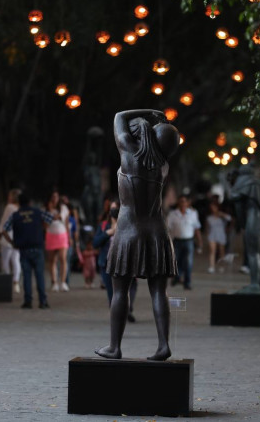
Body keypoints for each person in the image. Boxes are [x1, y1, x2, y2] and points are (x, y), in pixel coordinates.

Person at [95, 109, 180, 361]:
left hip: (128, 230)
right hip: (157, 232)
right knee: (158, 291)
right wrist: (149, 128)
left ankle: (114, 346)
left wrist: (148, 114)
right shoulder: (163, 165)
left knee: (120, 290)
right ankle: (163, 344)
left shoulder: (130, 156)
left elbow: (118, 117)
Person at [0, 194, 53, 309]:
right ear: (30, 202)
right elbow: (50, 218)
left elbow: (4, 230)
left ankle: (28, 301)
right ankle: (42, 301)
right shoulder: (37, 212)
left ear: (19, 203)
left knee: (27, 276)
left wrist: (12, 242)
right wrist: (42, 228)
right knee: (39, 275)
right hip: (37, 247)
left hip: (23, 249)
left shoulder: (16, 215)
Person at [230, 164, 260, 293]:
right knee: (257, 254)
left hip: (253, 219)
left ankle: (254, 284)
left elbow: (238, 207)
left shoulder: (242, 182)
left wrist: (242, 224)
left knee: (252, 253)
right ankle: (258, 284)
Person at [166, 194, 203, 290]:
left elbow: (197, 228)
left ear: (188, 202)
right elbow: (167, 228)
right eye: (181, 201)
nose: (183, 203)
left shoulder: (193, 213)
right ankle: (177, 278)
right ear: (178, 202)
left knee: (188, 263)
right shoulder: (173, 214)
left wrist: (200, 242)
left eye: (184, 201)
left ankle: (187, 282)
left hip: (189, 241)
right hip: (176, 241)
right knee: (176, 262)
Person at [44, 189, 70, 292]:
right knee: (52, 260)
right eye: (53, 197)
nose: (55, 199)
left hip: (62, 235)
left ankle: (63, 282)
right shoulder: (46, 209)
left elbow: (66, 223)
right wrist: (50, 213)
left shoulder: (63, 208)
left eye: (56, 197)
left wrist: (69, 237)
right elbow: (44, 225)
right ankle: (54, 282)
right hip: (50, 235)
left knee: (63, 259)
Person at [0, 189, 22, 293]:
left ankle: (6, 281)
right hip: (17, 236)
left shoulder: (9, 207)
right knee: (16, 260)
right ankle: (16, 282)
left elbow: (4, 221)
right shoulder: (20, 208)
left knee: (5, 260)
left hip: (7, 236)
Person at [205, 200, 231, 273]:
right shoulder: (209, 218)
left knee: (221, 252)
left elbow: (230, 219)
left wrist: (222, 214)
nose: (213, 209)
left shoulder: (222, 216)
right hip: (212, 235)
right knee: (212, 251)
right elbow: (207, 227)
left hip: (221, 235)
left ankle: (221, 265)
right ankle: (211, 266)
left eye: (214, 207)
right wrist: (207, 235)